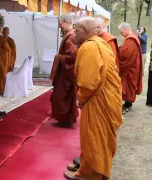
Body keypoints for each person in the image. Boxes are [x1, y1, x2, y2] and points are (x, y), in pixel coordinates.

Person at [63, 16, 122, 180]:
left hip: (97, 99)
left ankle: (91, 174)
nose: (74, 33)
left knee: (93, 138)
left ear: (86, 31)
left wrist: (80, 99)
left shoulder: (89, 47)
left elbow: (89, 83)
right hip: (107, 98)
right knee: (96, 138)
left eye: (77, 30)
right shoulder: (101, 43)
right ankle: (91, 169)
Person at [49, 14, 78, 127]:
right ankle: (65, 119)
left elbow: (72, 56)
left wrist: (59, 57)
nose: (60, 27)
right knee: (61, 95)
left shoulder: (71, 36)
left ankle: (66, 119)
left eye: (60, 24)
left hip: (67, 73)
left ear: (66, 22)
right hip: (64, 71)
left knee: (61, 96)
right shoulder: (70, 34)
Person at [118, 22, 143, 114]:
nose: (121, 34)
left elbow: (125, 55)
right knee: (129, 85)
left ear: (126, 29)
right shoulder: (132, 38)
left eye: (121, 32)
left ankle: (128, 104)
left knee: (129, 85)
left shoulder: (131, 39)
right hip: (133, 65)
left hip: (131, 67)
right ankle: (128, 103)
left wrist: (118, 52)